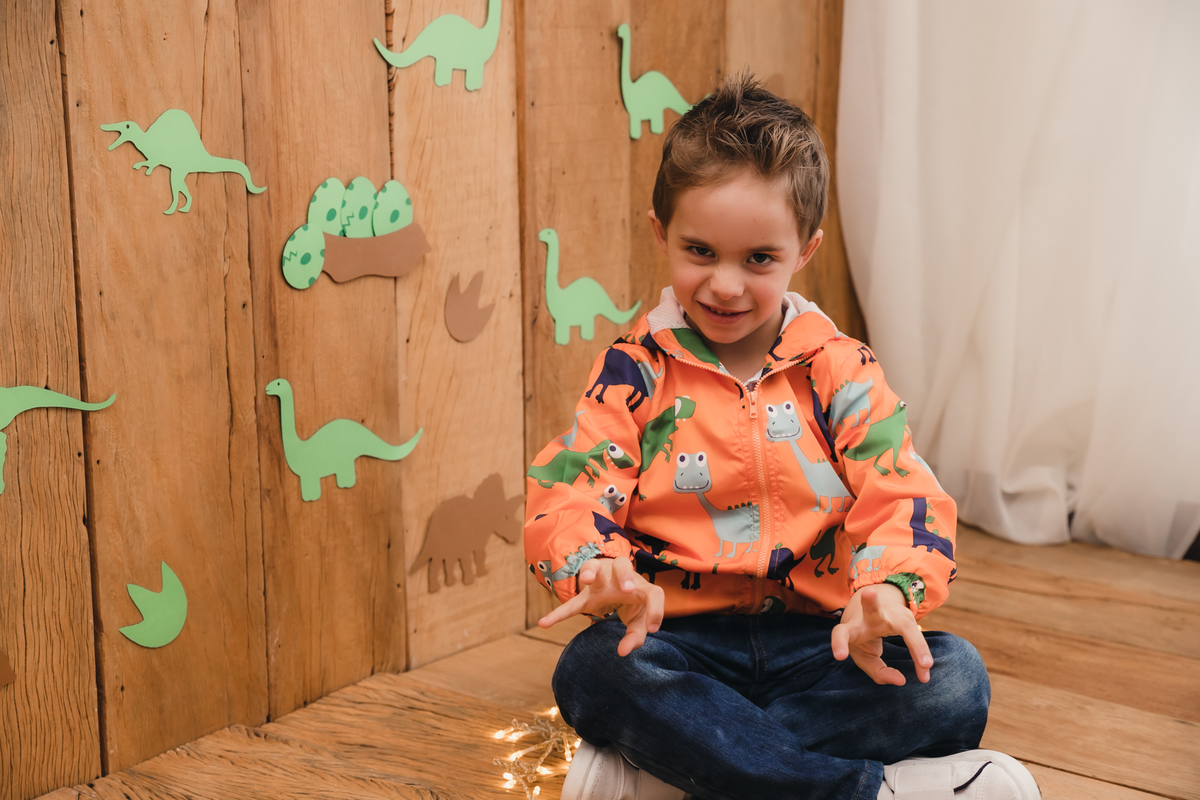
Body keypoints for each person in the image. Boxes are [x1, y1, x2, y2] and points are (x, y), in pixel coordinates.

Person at [523, 72, 1040, 800]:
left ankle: (680, 769)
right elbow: (573, 486)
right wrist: (599, 567)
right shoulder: (633, 370)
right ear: (661, 232)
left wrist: (888, 588)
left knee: (955, 682)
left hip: (824, 643)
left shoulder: (840, 368)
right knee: (590, 670)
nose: (726, 285)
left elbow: (902, 491)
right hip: (676, 640)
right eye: (700, 251)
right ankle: (857, 791)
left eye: (758, 259)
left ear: (805, 249)